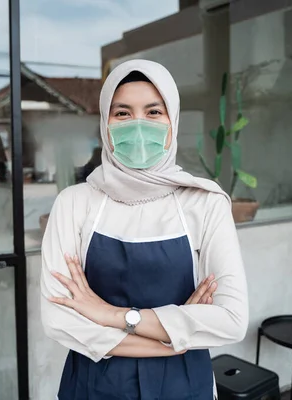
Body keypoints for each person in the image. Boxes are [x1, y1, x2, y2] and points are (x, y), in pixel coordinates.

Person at [40, 59, 249, 399]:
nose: (138, 125)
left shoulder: (205, 203)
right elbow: (59, 318)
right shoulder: (75, 203)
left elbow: (230, 319)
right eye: (122, 113)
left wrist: (108, 314)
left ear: (173, 121)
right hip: (95, 386)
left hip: (184, 387)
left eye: (153, 112)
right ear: (105, 125)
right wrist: (174, 339)